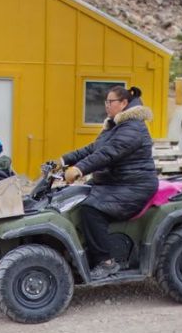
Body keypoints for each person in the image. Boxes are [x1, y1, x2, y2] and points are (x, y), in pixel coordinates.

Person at [61, 86, 158, 280]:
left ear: (123, 104)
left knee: (90, 210)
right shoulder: (115, 126)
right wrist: (63, 161)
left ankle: (106, 262)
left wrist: (79, 169)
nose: (107, 106)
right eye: (105, 102)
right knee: (75, 197)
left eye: (110, 102)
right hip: (115, 183)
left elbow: (108, 153)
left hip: (133, 186)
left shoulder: (133, 127)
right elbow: (94, 149)